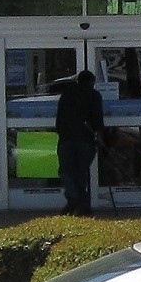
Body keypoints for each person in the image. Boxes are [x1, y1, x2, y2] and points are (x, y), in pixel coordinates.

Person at [53, 69, 104, 215]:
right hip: (86, 139)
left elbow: (60, 118)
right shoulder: (94, 95)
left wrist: (61, 132)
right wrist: (99, 136)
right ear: (91, 81)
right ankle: (82, 204)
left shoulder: (67, 95)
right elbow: (98, 118)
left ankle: (73, 198)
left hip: (67, 139)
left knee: (66, 171)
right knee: (81, 171)